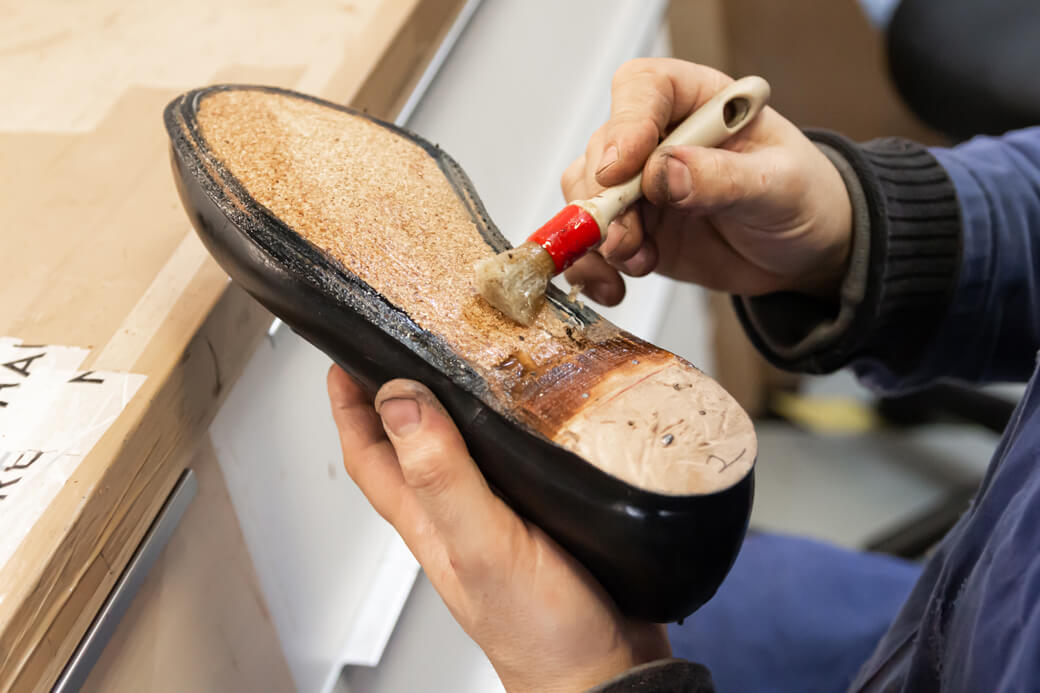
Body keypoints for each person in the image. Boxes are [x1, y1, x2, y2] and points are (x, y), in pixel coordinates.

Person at [325, 59, 1040, 691]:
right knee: (708, 608)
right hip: (974, 599)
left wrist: (586, 684)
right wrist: (858, 226)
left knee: (629, 624)